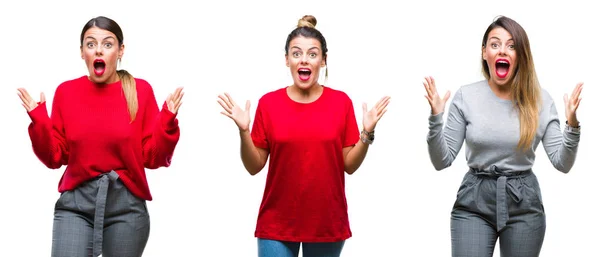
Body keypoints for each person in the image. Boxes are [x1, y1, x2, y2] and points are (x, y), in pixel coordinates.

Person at [218, 15, 390, 257]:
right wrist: (243, 131)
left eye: (312, 54)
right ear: (287, 60)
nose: (304, 60)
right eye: (296, 53)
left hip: (326, 223)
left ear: (323, 60)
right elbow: (254, 166)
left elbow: (349, 165)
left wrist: (367, 133)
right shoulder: (269, 104)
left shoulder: (340, 103)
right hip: (276, 223)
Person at [17, 16, 183, 257]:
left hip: (126, 208)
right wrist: (40, 121)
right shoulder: (66, 92)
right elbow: (55, 157)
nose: (98, 50)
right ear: (82, 52)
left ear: (120, 51)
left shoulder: (140, 91)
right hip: (76, 205)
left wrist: (166, 121)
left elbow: (153, 158)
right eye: (91, 43)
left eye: (107, 44)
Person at [424, 15, 583, 256]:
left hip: (524, 206)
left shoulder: (540, 100)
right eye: (495, 44)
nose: (503, 51)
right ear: (484, 52)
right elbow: (441, 160)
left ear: (521, 55)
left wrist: (571, 125)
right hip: (473, 204)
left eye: (511, 46)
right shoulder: (466, 97)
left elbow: (562, 163)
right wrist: (436, 118)